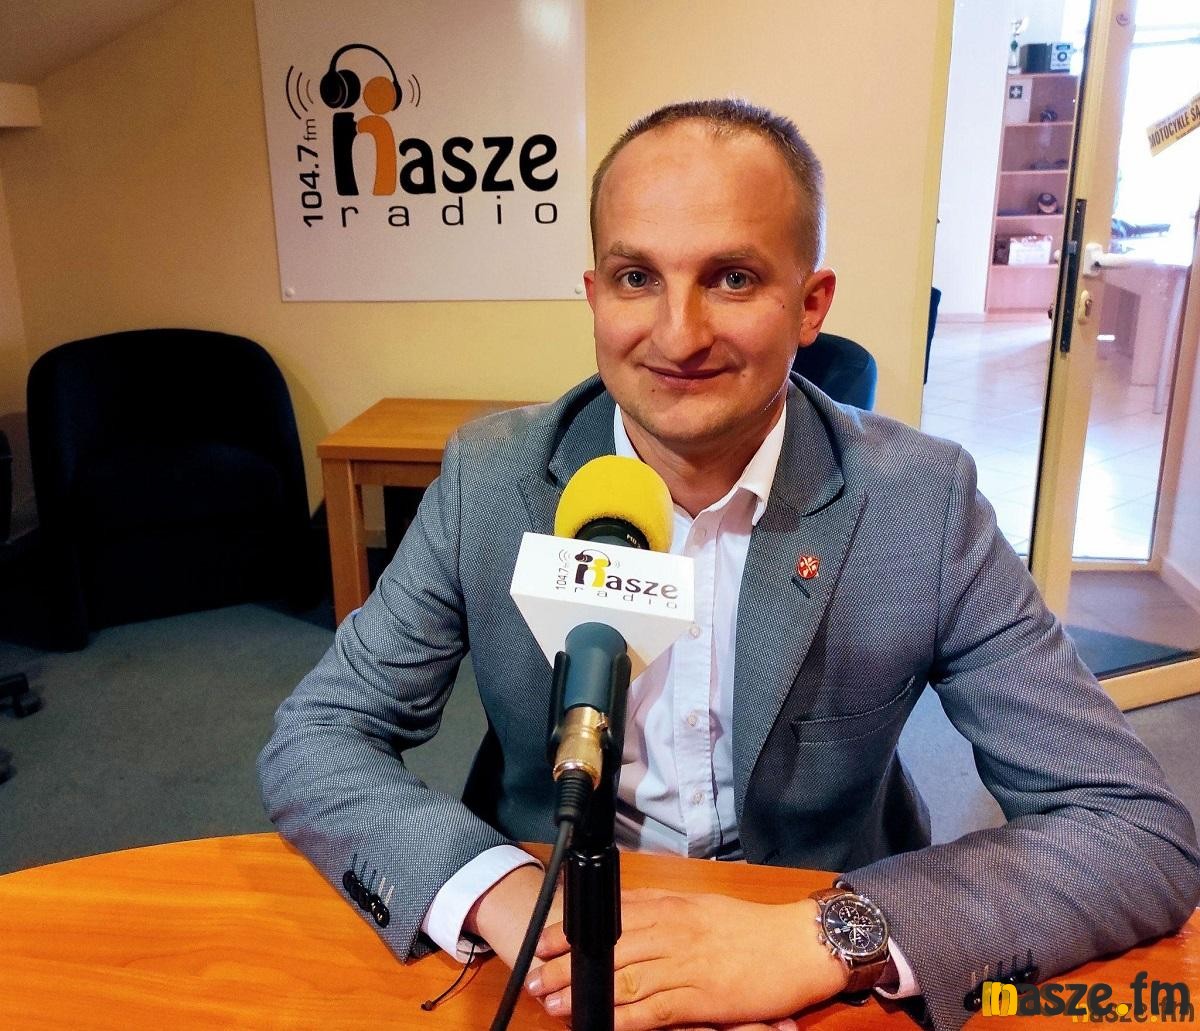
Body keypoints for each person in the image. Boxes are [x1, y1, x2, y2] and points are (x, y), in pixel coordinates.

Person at [259, 99, 1200, 1031]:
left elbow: (1134, 827)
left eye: (733, 278)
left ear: (811, 305)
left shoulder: (922, 501)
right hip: (549, 952)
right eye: (637, 276)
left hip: (809, 952)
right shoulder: (490, 479)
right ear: (594, 294)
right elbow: (318, 736)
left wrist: (822, 937)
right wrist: (501, 893)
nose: (677, 334)